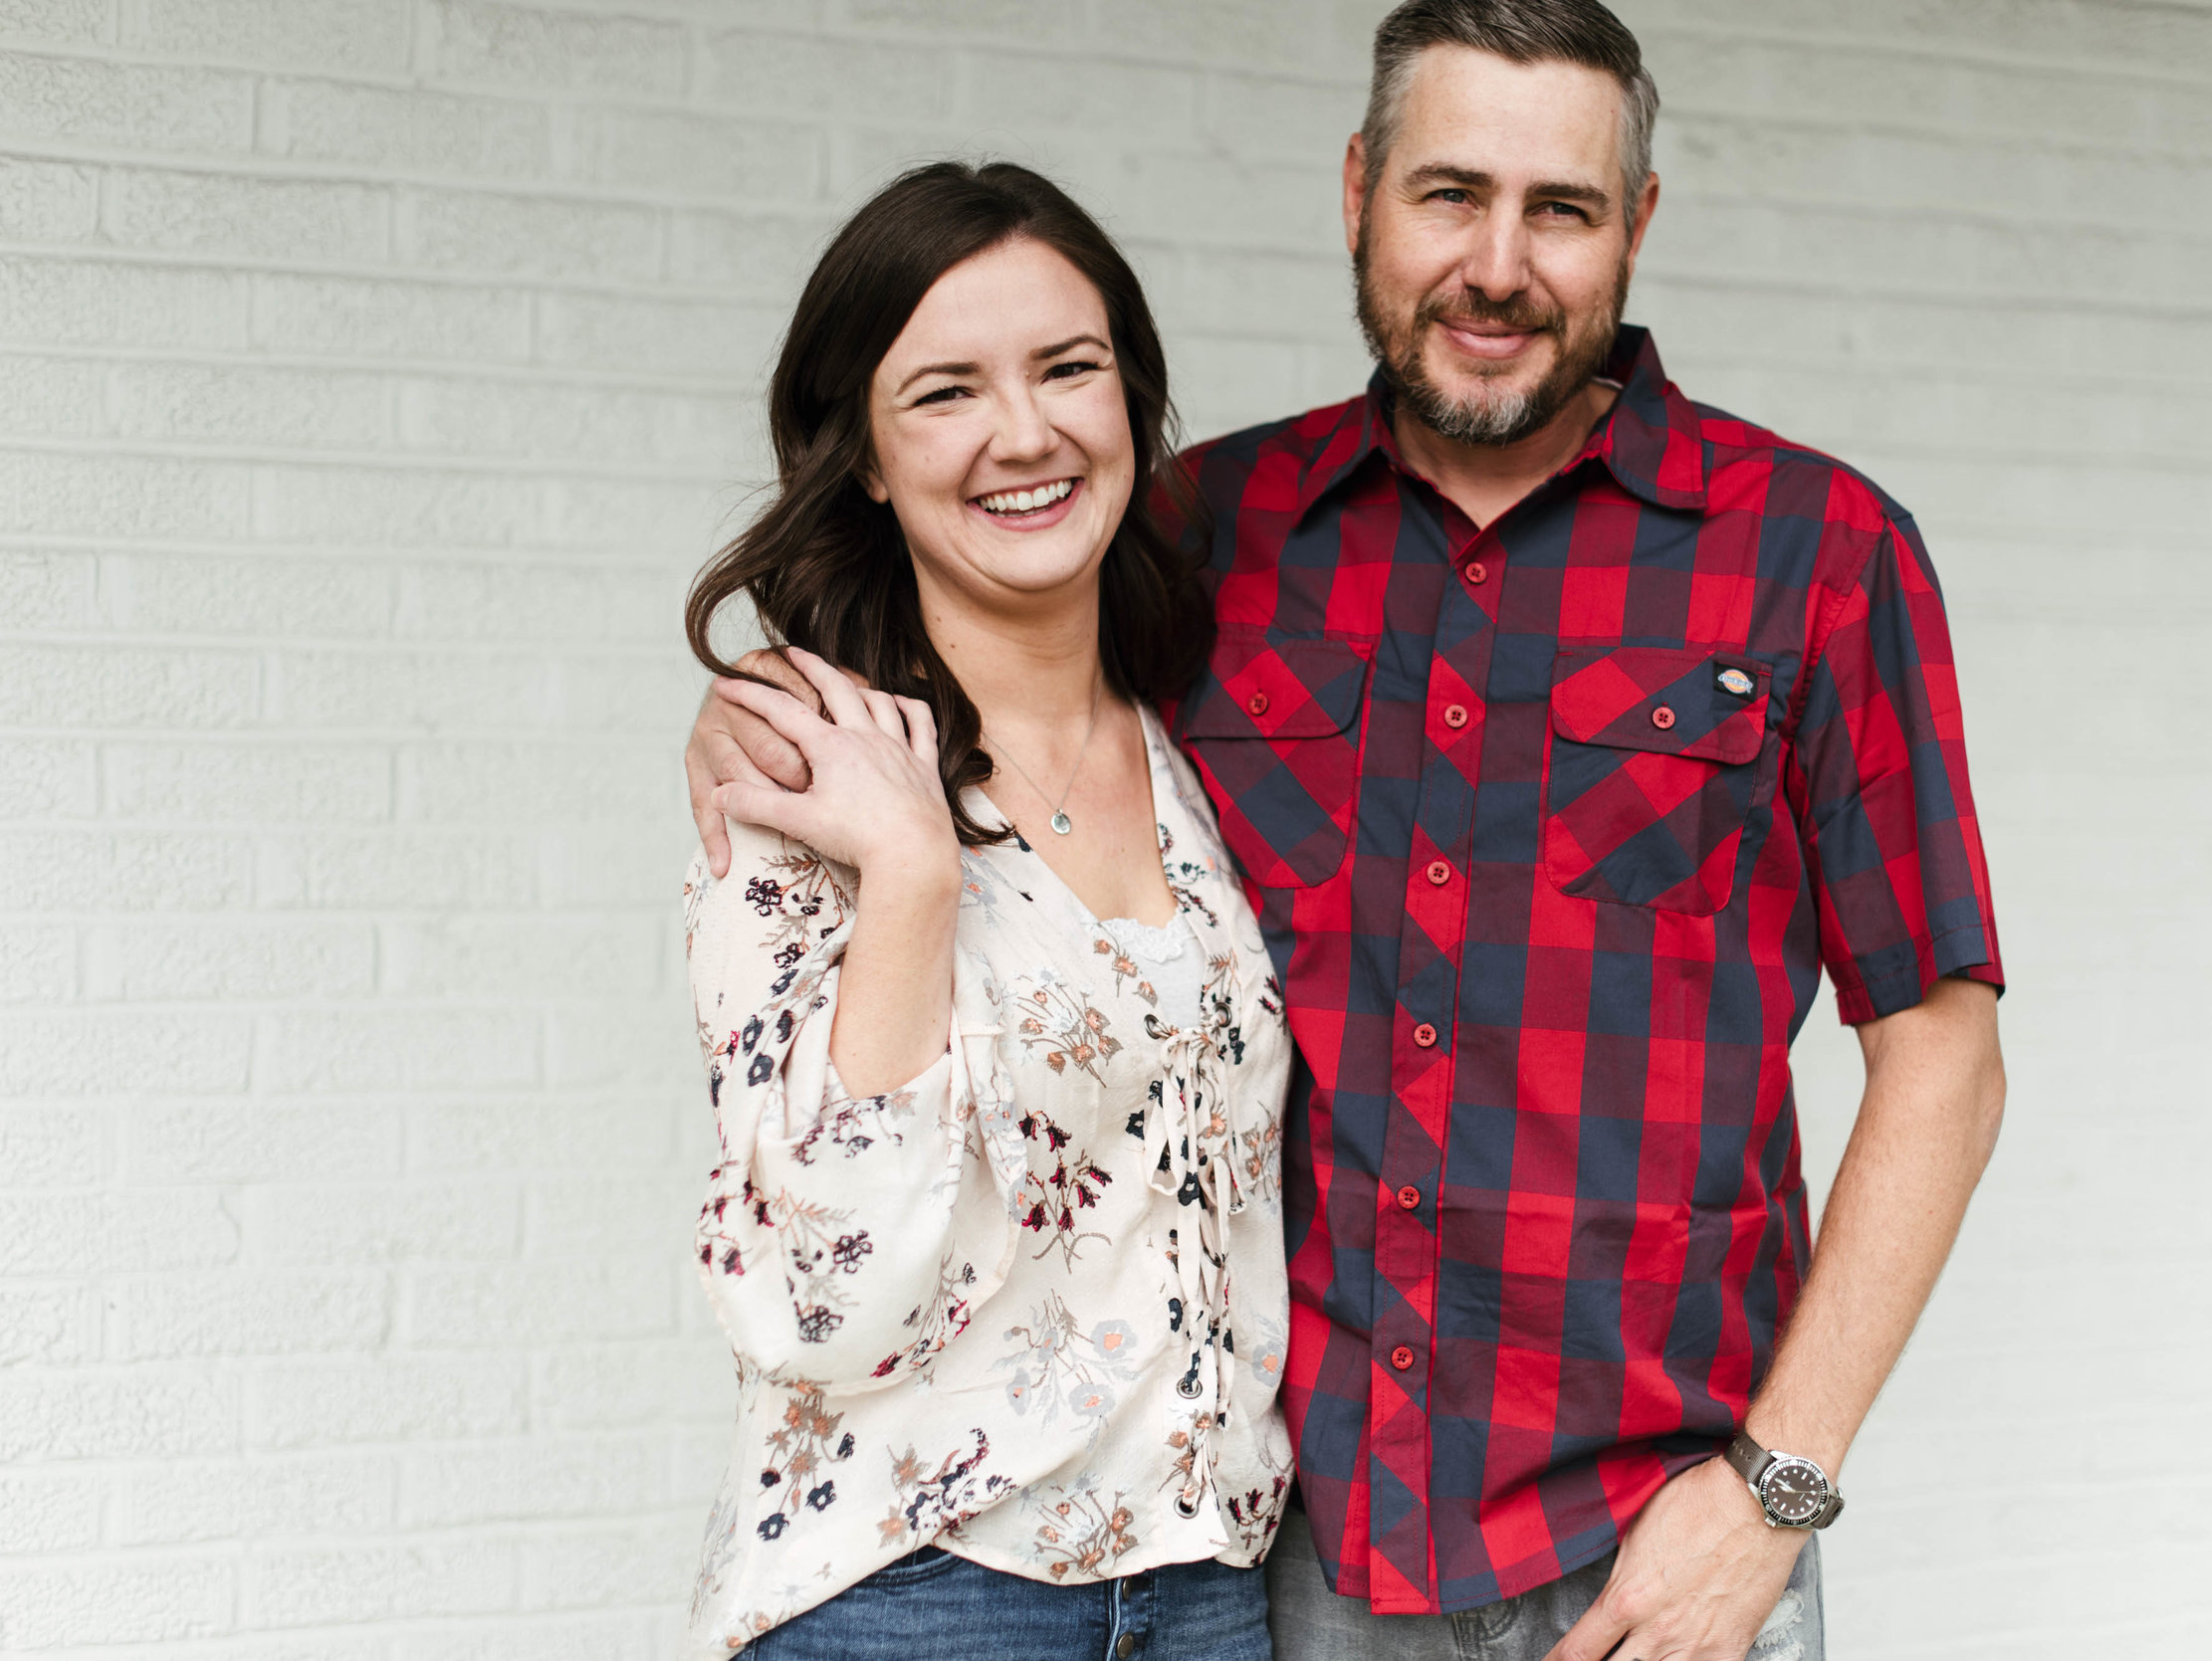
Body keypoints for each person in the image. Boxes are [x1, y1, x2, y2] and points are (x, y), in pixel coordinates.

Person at [688, 2, 2009, 1658]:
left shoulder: (1817, 557)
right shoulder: (1207, 538)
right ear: (1359, 193)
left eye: (1565, 208)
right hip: (1294, 1555)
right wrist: (776, 707)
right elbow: (984, 620)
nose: (1500, 264)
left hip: (1659, 1544)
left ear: (1640, 226)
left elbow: (1945, 1056)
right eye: (1450, 195)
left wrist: (1778, 1488)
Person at [678, 161, 1295, 1661]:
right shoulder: (804, 770)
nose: (1025, 434)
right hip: (919, 1593)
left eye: (1068, 369)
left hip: (1211, 1585)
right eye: (946, 390)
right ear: (870, 458)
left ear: (1133, 405)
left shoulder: (1194, 738)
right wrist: (914, 876)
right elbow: (820, 1303)